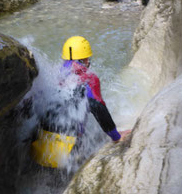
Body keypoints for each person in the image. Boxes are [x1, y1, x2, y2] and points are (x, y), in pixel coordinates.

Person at [30, 36, 131, 168]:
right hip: (66, 152)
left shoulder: (53, 73)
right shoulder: (89, 78)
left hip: (37, 146)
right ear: (86, 59)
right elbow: (98, 107)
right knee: (96, 141)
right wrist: (116, 136)